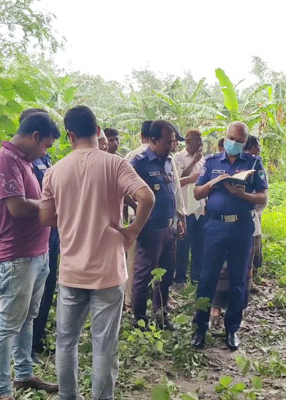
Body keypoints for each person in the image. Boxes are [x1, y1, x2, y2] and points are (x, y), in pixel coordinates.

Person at [39, 105, 155, 400]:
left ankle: (69, 396)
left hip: (71, 272)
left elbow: (45, 218)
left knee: (66, 342)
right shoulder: (114, 164)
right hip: (107, 270)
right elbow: (146, 197)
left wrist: (68, 220)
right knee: (104, 345)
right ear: (98, 130)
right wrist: (132, 231)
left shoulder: (54, 171)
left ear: (70, 135)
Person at [0, 112, 61, 400]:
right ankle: (1, 390)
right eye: (45, 146)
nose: (45, 152)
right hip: (17, 257)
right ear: (35, 136)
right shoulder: (5, 160)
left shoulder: (24, 162)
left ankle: (24, 373)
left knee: (28, 317)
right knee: (8, 324)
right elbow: (16, 207)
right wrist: (52, 208)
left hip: (38, 253)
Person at [190, 122, 268, 351]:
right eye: (231, 138)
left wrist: (240, 194)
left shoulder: (253, 163)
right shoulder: (212, 162)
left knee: (237, 281)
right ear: (225, 138)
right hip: (215, 226)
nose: (234, 143)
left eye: (240, 141)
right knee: (207, 279)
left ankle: (232, 329)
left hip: (241, 227)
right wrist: (214, 183)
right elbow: (196, 192)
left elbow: (262, 198)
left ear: (245, 143)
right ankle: (200, 328)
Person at [12, 108, 61, 365]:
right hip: (28, 239)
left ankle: (37, 340)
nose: (45, 148)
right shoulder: (15, 161)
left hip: (50, 234)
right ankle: (23, 350)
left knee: (46, 288)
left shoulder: (44, 158)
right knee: (25, 297)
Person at [129, 120, 187, 329]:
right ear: (153, 140)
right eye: (169, 142)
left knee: (166, 272)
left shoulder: (168, 161)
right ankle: (139, 318)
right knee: (144, 274)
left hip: (170, 226)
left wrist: (180, 217)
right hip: (151, 228)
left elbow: (174, 192)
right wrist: (137, 215)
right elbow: (125, 192)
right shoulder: (139, 163)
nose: (173, 146)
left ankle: (161, 314)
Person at [174, 129, 206, 285]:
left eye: (200, 140)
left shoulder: (203, 160)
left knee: (199, 244)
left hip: (200, 207)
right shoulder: (178, 157)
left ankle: (196, 276)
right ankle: (180, 277)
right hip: (185, 207)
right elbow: (176, 181)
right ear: (187, 142)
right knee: (183, 245)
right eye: (196, 140)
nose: (199, 143)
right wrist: (193, 162)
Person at [244, 135, 265, 292]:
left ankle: (250, 281)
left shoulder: (258, 163)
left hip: (255, 211)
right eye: (256, 145)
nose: (258, 148)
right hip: (246, 211)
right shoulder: (246, 163)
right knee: (246, 249)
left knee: (254, 250)